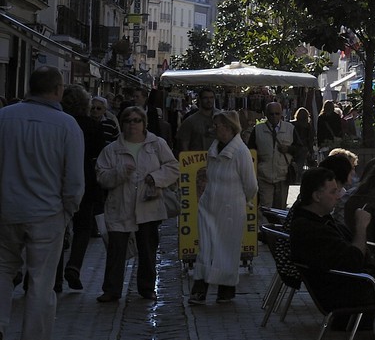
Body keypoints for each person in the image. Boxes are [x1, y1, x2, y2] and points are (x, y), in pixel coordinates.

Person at [0, 67, 85, 340]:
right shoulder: (66, 125)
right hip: (47, 214)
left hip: (6, 210)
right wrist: (69, 210)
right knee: (40, 283)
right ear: (58, 90)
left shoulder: (4, 118)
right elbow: (74, 179)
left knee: (2, 270)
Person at [287, 167, 375, 307]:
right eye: (333, 192)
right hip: (355, 296)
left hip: (360, 285)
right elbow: (353, 261)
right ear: (317, 196)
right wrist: (361, 226)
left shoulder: (318, 220)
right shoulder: (310, 229)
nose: (338, 196)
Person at [94, 104, 180, 302]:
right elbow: (102, 176)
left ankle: (147, 287)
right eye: (128, 120)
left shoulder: (156, 144)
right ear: (122, 123)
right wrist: (120, 173)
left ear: (144, 123)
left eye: (137, 120)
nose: (132, 124)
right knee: (116, 249)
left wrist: (156, 178)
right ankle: (112, 289)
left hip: (148, 205)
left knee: (148, 250)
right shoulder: (112, 149)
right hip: (120, 206)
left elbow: (173, 167)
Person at [191, 110, 258, 304]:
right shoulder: (214, 148)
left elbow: (251, 185)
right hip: (208, 205)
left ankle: (226, 290)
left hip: (230, 209)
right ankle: (200, 288)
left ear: (228, 127)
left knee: (226, 249)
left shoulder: (241, 152)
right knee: (205, 248)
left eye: (217, 125)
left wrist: (240, 200)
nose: (214, 129)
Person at [60, 85, 106, 292]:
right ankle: (75, 266)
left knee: (60, 229)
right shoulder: (92, 125)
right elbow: (101, 152)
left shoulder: (61, 123)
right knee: (83, 227)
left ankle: (54, 276)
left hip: (60, 179)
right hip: (86, 179)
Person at [251, 102, 296, 213]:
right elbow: (250, 151)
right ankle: (265, 229)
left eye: (277, 113)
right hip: (264, 176)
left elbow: (301, 148)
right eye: (271, 114)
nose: (274, 116)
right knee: (265, 208)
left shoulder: (290, 128)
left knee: (280, 209)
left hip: (282, 175)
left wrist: (289, 149)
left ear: (281, 114)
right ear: (266, 114)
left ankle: (277, 228)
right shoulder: (258, 130)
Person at [290, 107, 316, 180]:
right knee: (300, 163)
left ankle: (292, 175)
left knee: (291, 162)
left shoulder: (291, 124)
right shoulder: (308, 126)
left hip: (292, 147)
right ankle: (297, 176)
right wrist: (311, 151)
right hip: (303, 148)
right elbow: (310, 139)